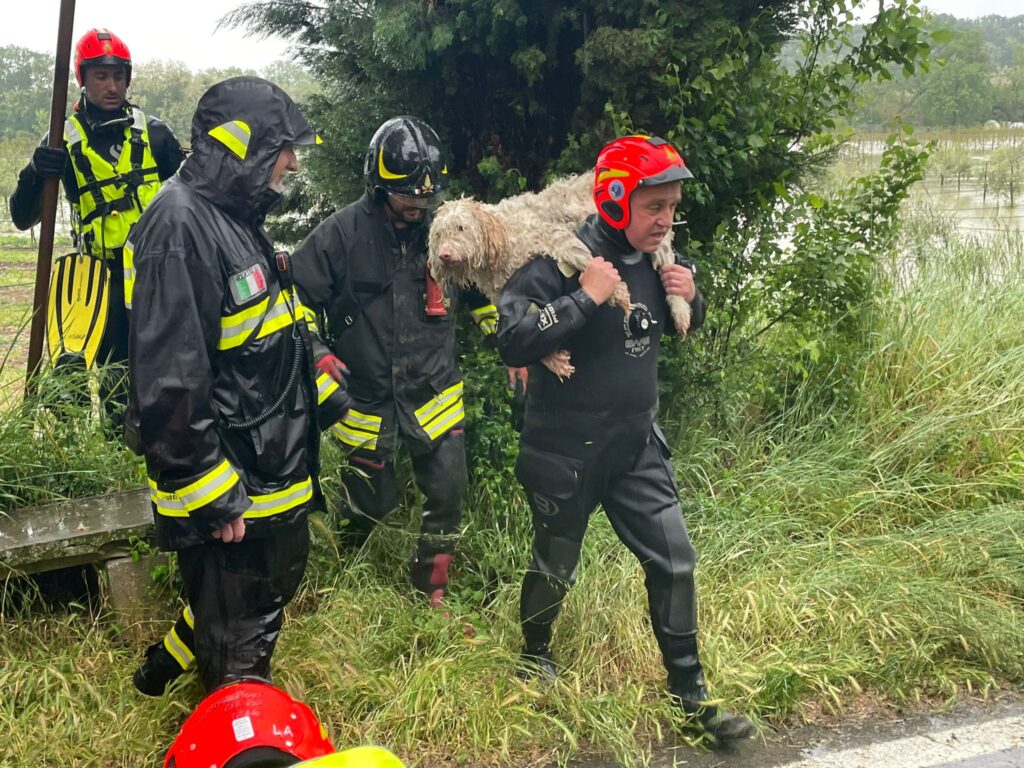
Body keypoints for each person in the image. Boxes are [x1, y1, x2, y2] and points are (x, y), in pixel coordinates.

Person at [494, 135, 754, 740]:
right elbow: (512, 338)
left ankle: (690, 696)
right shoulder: (561, 259)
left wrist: (694, 300)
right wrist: (586, 296)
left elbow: (668, 326)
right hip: (565, 451)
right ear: (615, 200)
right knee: (555, 567)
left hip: (636, 448)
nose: (665, 221)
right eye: (653, 207)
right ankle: (535, 655)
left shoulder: (660, 263)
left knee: (675, 561)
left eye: (672, 207)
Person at [126, 76, 351, 695]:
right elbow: (171, 379)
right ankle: (238, 736)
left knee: (247, 602)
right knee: (237, 647)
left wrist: (322, 383)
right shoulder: (179, 228)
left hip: (264, 468)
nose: (294, 161)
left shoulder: (234, 215)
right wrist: (209, 490)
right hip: (233, 484)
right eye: (286, 147)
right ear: (244, 147)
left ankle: (162, 671)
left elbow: (266, 325)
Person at [289, 116, 501, 608]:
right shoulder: (340, 234)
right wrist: (317, 350)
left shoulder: (445, 228)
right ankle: (343, 581)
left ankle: (432, 592)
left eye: (425, 199)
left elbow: (479, 291)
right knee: (369, 503)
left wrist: (511, 338)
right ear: (379, 184)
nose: (417, 207)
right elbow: (293, 297)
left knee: (448, 493)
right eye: (407, 197)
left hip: (435, 392)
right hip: (364, 399)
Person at [9, 27, 184, 422]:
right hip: (100, 281)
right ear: (83, 79)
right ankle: (109, 457)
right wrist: (36, 172)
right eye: (101, 76)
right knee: (113, 384)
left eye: (118, 76)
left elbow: (193, 203)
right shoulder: (60, 140)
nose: (111, 86)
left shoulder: (155, 134)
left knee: (162, 377)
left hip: (157, 274)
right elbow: (22, 217)